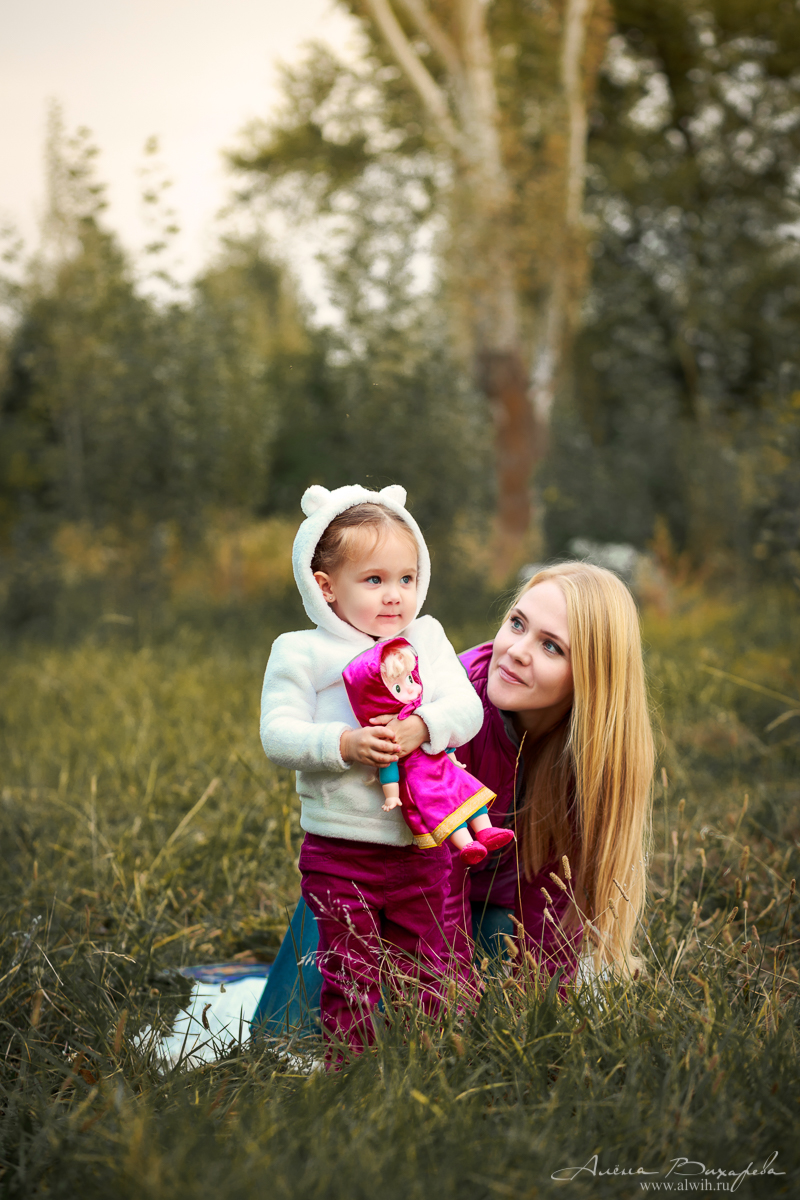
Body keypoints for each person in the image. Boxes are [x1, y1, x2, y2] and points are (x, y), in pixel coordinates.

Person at [252, 559, 655, 1036]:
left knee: (512, 982)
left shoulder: (594, 753)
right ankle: (296, 1026)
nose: (517, 652)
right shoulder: (443, 710)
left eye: (551, 646)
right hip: (391, 888)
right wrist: (450, 996)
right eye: (517, 624)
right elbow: (437, 871)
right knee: (301, 1011)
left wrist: (544, 1010)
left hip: (488, 912)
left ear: (592, 676)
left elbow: (552, 897)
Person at [259, 483, 489, 1051]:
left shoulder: (425, 639)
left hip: (422, 845)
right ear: (326, 586)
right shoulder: (301, 651)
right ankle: (352, 1061)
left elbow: (467, 709)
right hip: (341, 850)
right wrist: (344, 743)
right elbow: (278, 734)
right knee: (349, 968)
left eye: (406, 579)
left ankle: (434, 1056)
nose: (394, 596)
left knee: (433, 962)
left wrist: (424, 726)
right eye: (374, 580)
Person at [342, 636, 515, 863]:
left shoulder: (423, 712)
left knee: (469, 794)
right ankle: (467, 844)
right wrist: (392, 796)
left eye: (410, 678)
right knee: (447, 810)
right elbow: (388, 765)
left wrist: (453, 759)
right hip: (422, 779)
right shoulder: (388, 732)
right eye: (398, 687)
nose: (411, 687)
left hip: (445, 767)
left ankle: (486, 831)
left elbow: (438, 735)